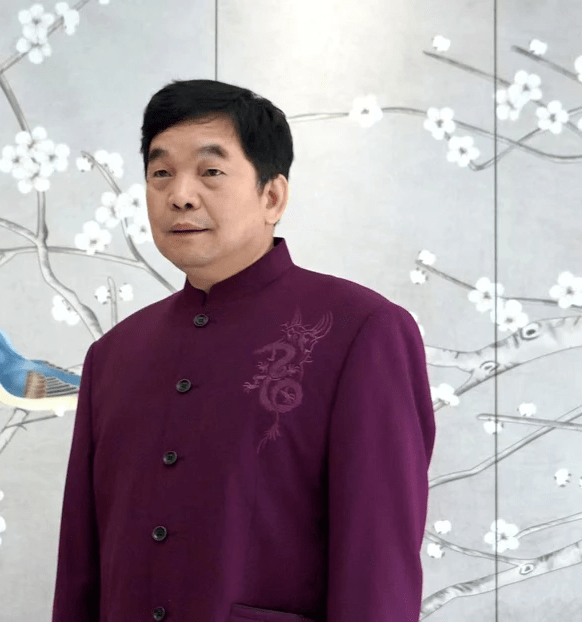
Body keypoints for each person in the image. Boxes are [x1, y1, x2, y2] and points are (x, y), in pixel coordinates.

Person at [51, 78, 436, 622]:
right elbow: (80, 571)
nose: (180, 195)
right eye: (161, 173)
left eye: (210, 171)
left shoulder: (361, 331)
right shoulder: (113, 355)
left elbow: (378, 569)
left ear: (272, 196)